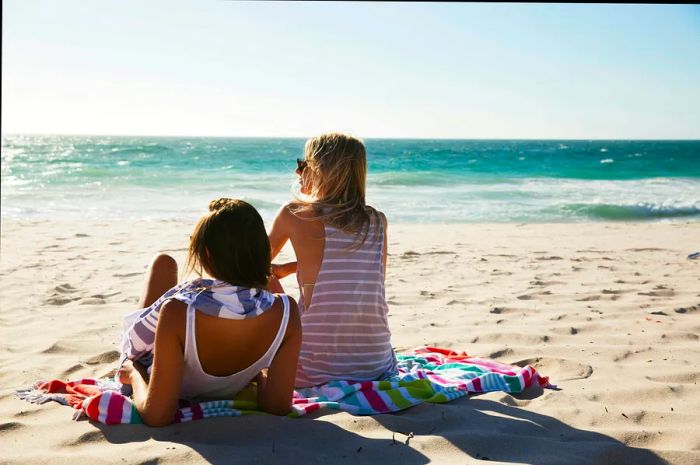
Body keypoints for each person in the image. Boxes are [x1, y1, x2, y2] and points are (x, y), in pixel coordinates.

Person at [118, 199, 301, 426]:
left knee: (162, 263)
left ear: (207, 254)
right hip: (230, 363)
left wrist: (134, 372)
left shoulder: (177, 311)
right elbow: (278, 406)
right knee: (164, 264)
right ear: (262, 250)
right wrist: (258, 372)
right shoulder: (286, 312)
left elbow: (157, 415)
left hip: (151, 360)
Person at [268, 133, 397, 388]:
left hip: (313, 369)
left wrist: (273, 275)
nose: (297, 170)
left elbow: (245, 265)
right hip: (376, 366)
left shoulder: (294, 214)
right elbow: (364, 278)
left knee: (258, 276)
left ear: (320, 170)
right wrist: (291, 267)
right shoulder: (378, 221)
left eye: (302, 163)